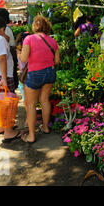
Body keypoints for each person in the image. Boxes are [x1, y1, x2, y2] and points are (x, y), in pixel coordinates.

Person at [17, 15, 60, 143]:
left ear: (35, 27)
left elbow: (24, 59)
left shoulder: (29, 39)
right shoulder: (53, 41)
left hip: (35, 74)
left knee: (31, 105)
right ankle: (45, 127)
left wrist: (19, 53)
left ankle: (31, 136)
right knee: (45, 100)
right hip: (50, 73)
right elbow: (56, 61)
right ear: (47, 27)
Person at [0, 8, 18, 90]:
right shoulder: (2, 29)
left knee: (8, 82)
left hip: (8, 54)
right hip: (6, 54)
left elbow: (2, 57)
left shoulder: (5, 29)